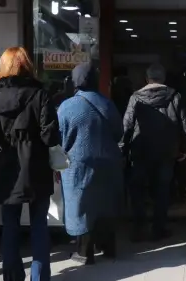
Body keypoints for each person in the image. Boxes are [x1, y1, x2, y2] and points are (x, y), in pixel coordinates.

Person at [0, 47, 60, 281]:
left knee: (10, 225)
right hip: (36, 165)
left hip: (7, 164)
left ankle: (12, 276)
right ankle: (40, 277)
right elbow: (50, 135)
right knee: (39, 225)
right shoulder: (40, 94)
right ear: (27, 65)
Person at [58, 62, 124, 265]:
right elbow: (119, 132)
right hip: (108, 162)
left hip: (78, 165)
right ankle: (108, 247)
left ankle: (84, 252)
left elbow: (59, 138)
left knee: (80, 205)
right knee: (105, 203)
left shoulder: (67, 106)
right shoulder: (108, 103)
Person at [123, 63, 186, 242]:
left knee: (138, 190)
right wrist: (184, 149)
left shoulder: (135, 97)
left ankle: (138, 230)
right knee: (162, 190)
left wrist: (123, 148)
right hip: (166, 152)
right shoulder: (175, 96)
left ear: (147, 79)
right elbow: (185, 126)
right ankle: (158, 229)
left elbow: (127, 125)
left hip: (140, 151)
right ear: (164, 79)